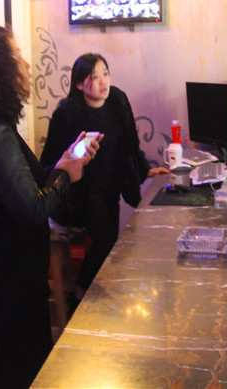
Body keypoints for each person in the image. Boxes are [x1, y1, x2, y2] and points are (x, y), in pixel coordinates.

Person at [0, 26, 100, 388]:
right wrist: (66, 177)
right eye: (16, 57)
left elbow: (19, 190)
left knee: (15, 370)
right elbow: (33, 208)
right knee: (17, 374)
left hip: (5, 281)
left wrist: (61, 165)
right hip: (7, 287)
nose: (26, 65)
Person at [41, 53, 169, 304]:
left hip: (111, 185)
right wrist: (77, 154)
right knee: (107, 240)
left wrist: (145, 169)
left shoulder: (118, 101)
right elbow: (52, 160)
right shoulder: (67, 113)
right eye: (94, 77)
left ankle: (85, 291)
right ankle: (79, 294)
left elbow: (130, 143)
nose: (103, 82)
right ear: (80, 84)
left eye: (106, 74)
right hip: (82, 190)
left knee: (110, 240)